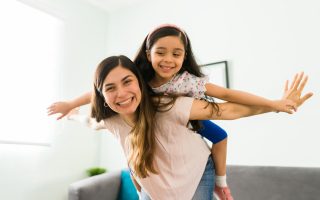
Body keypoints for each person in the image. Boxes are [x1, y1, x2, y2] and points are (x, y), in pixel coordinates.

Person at [47, 24, 311, 200]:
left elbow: (228, 105)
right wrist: (71, 109)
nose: (168, 60)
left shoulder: (179, 92)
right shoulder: (121, 104)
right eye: (160, 52)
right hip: (154, 179)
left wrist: (276, 105)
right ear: (148, 55)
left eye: (176, 54)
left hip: (192, 154)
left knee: (218, 135)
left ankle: (221, 181)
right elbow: (94, 108)